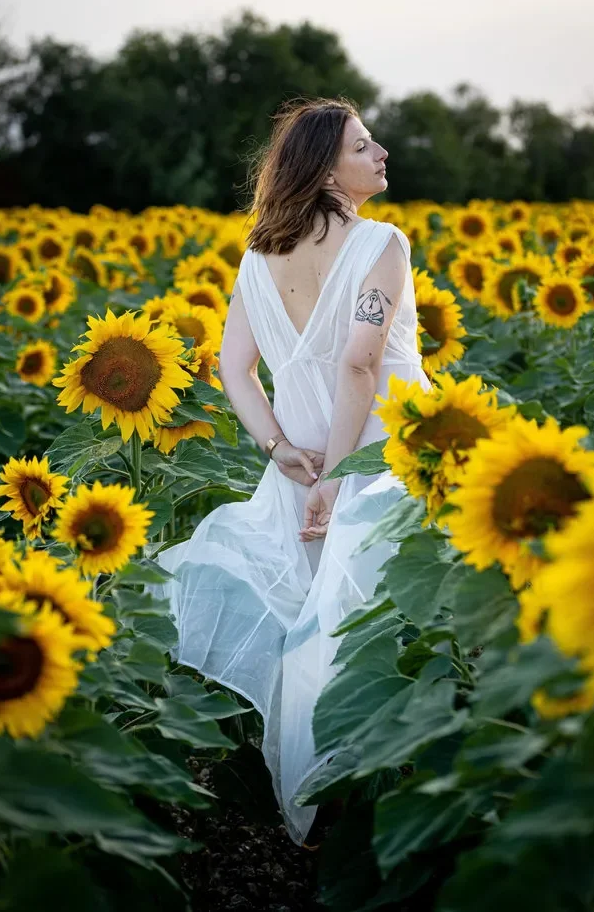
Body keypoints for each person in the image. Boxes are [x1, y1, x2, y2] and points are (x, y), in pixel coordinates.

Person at [153, 96, 432, 846]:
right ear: (325, 168)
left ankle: (325, 806)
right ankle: (389, 813)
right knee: (391, 635)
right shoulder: (381, 243)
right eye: (363, 146)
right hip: (373, 460)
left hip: (300, 465)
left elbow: (232, 367)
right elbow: (360, 362)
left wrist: (280, 451)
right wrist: (339, 481)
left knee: (317, 634)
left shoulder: (258, 255)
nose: (380, 154)